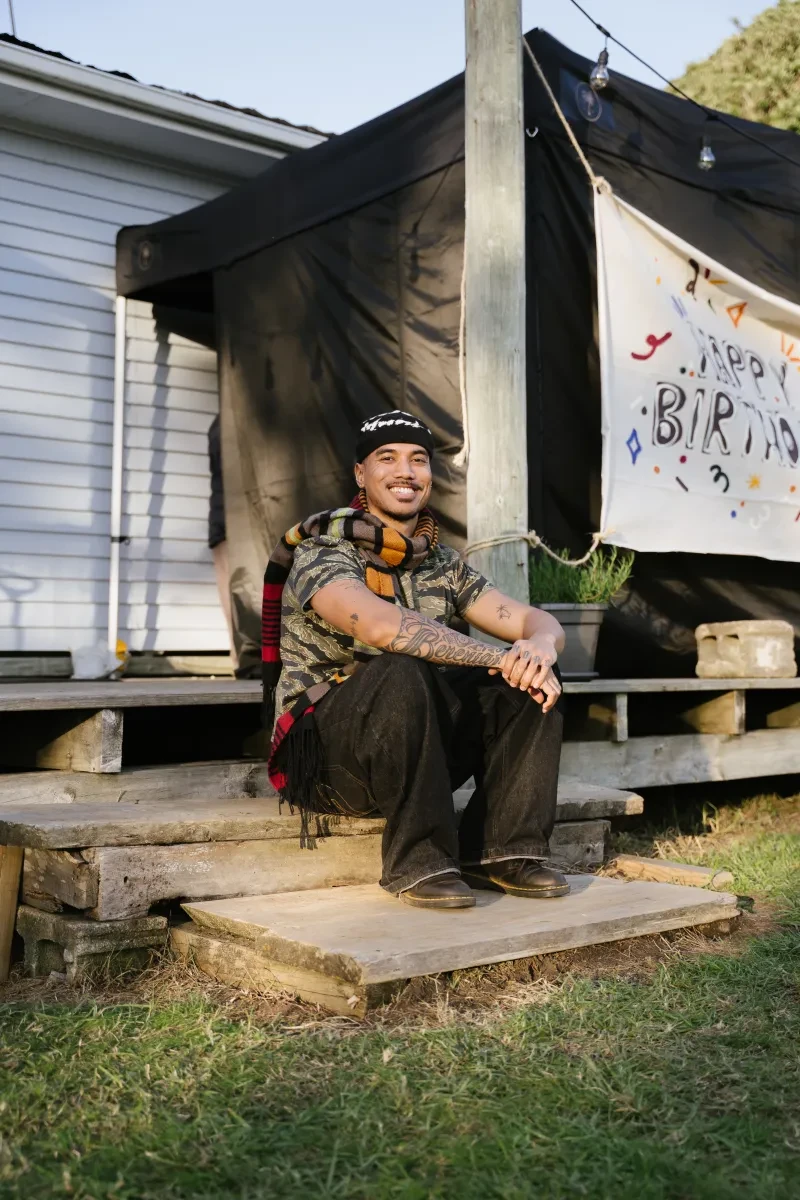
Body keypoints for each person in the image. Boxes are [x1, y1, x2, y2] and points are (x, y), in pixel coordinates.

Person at [262, 410, 568, 910]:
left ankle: (503, 851)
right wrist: (501, 655)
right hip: (326, 758)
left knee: (531, 679)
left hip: (413, 746)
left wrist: (537, 649)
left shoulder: (441, 563)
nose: (405, 471)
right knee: (400, 665)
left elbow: (536, 621)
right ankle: (421, 861)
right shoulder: (324, 550)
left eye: (418, 459)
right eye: (388, 458)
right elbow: (384, 628)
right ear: (360, 474)